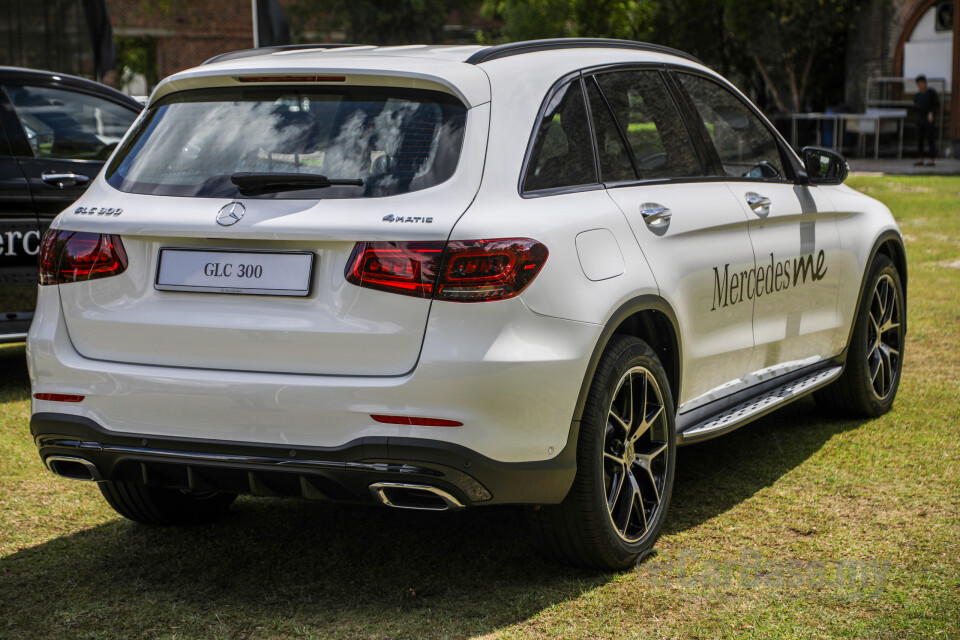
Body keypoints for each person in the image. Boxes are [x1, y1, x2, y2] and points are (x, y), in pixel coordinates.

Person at [914, 75, 939, 166]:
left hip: (929, 119)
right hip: (919, 119)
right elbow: (915, 107)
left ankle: (931, 159)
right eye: (919, 83)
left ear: (925, 83)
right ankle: (920, 158)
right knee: (919, 140)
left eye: (922, 83)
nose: (921, 85)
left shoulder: (931, 93)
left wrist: (931, 113)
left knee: (930, 139)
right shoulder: (917, 95)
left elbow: (936, 104)